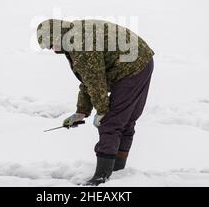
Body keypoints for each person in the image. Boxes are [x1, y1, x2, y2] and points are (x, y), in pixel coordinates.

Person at [37, 19, 154, 186]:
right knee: (124, 121)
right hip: (142, 60)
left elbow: (95, 81)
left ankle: (101, 177)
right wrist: (81, 112)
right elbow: (88, 78)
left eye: (50, 44)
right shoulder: (73, 36)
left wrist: (102, 111)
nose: (51, 49)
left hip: (131, 67)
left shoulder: (80, 43)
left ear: (56, 36)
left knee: (110, 123)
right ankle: (118, 173)